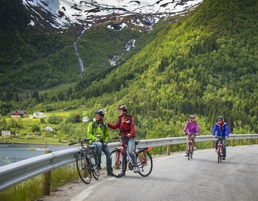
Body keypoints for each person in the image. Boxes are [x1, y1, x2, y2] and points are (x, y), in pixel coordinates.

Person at [106, 105, 140, 176]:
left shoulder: (129, 118)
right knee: (124, 154)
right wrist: (108, 124)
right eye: (119, 111)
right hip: (123, 137)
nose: (120, 112)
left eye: (121, 111)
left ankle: (136, 166)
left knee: (130, 151)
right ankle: (123, 171)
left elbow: (132, 128)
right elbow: (115, 127)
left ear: (124, 112)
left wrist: (130, 134)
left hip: (130, 138)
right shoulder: (119, 119)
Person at [87, 109, 112, 176]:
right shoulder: (92, 124)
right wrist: (95, 139)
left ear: (101, 117)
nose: (97, 116)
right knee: (99, 145)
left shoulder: (104, 125)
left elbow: (107, 135)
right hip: (94, 142)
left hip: (102, 142)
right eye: (96, 115)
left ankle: (109, 171)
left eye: (98, 115)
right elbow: (89, 134)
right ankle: (98, 163)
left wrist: (106, 141)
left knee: (109, 154)